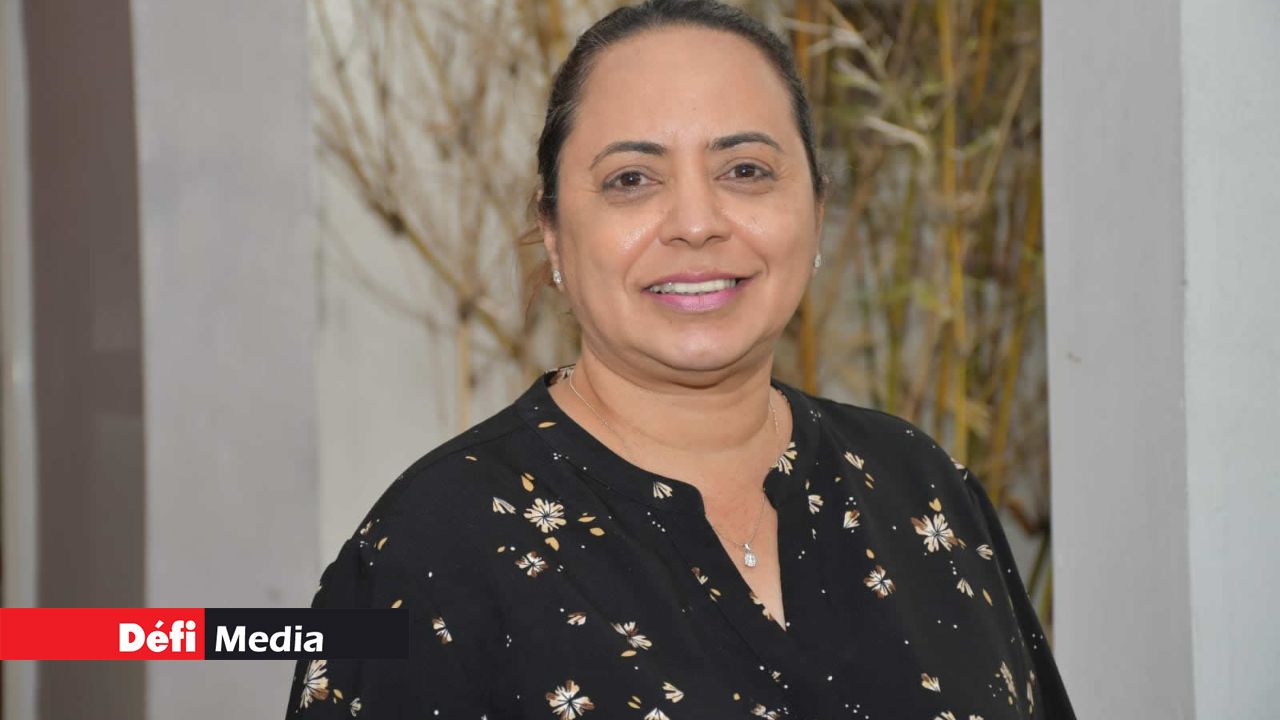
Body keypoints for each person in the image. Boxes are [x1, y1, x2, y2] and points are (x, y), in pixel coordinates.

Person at [283, 1, 1075, 718]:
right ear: (553, 233)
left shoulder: (922, 490)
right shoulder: (429, 550)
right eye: (631, 179)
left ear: (816, 208)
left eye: (745, 171)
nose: (696, 222)